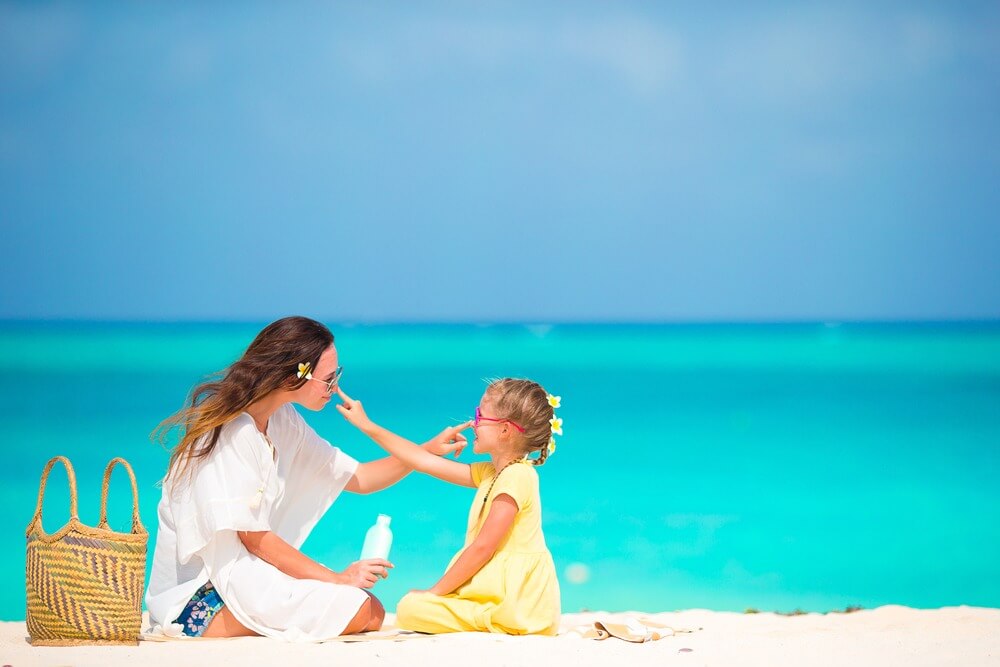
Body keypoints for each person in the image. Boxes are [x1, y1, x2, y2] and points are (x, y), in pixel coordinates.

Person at [145, 316, 467, 641]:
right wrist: (338, 579)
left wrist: (426, 451)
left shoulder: (283, 420)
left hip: (241, 580)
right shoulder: (234, 432)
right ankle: (219, 626)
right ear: (291, 376)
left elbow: (361, 478)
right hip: (196, 601)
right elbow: (253, 538)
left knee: (368, 609)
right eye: (329, 378)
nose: (336, 388)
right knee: (363, 609)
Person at [336, 378, 562, 635]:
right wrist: (367, 426)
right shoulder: (492, 474)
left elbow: (483, 547)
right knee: (413, 607)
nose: (473, 422)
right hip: (497, 596)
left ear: (505, 431)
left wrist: (435, 592)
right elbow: (421, 461)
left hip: (517, 604)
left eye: (480, 415)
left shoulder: (518, 476)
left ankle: (498, 621)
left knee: (412, 608)